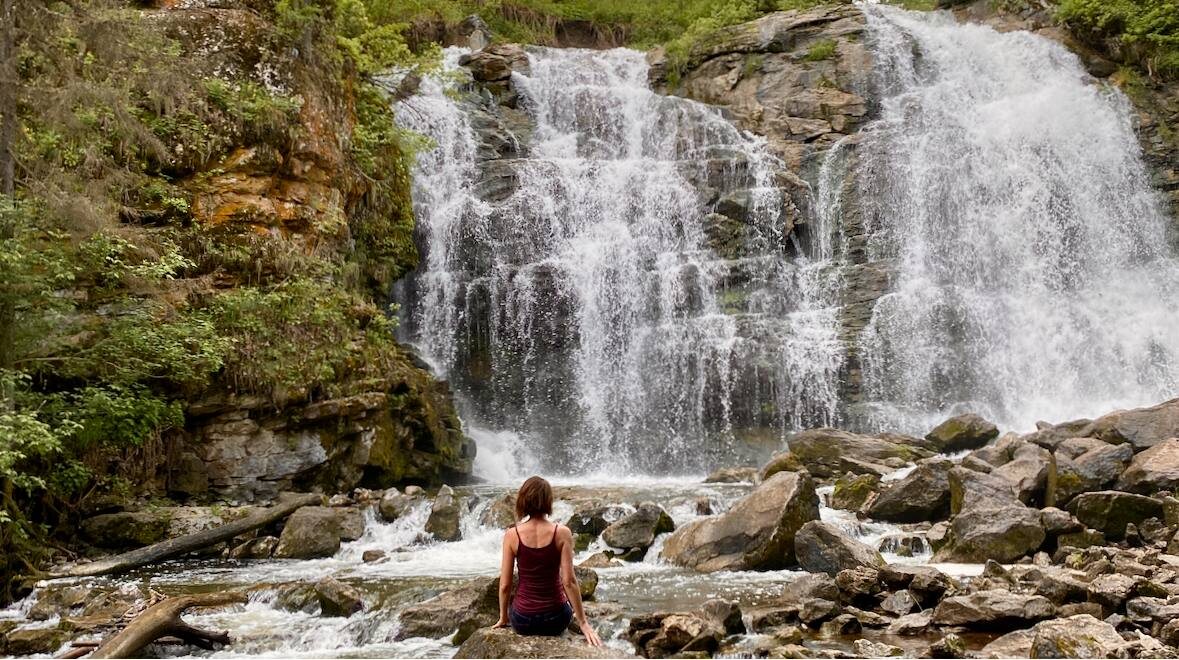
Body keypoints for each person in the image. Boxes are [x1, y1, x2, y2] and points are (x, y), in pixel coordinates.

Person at [493, 476, 603, 647]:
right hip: (556, 619)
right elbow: (569, 581)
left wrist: (503, 617)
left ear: (523, 500)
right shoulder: (562, 533)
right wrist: (583, 623)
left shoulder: (512, 535)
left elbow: (505, 584)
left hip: (523, 620)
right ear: (548, 501)